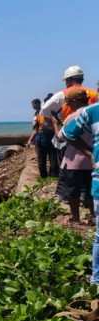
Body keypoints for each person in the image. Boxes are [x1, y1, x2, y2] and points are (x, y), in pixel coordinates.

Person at [62, 99, 99, 284]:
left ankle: (96, 280)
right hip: (93, 170)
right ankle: (96, 279)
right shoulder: (91, 111)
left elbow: (64, 135)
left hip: (79, 164)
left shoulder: (83, 114)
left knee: (74, 192)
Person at [56, 89, 94, 223]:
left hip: (74, 162)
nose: (69, 107)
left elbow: (60, 138)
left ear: (75, 101)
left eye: (69, 103)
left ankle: (76, 218)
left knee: (73, 193)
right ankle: (93, 216)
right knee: (91, 191)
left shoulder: (72, 117)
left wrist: (56, 126)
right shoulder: (94, 114)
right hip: (93, 161)